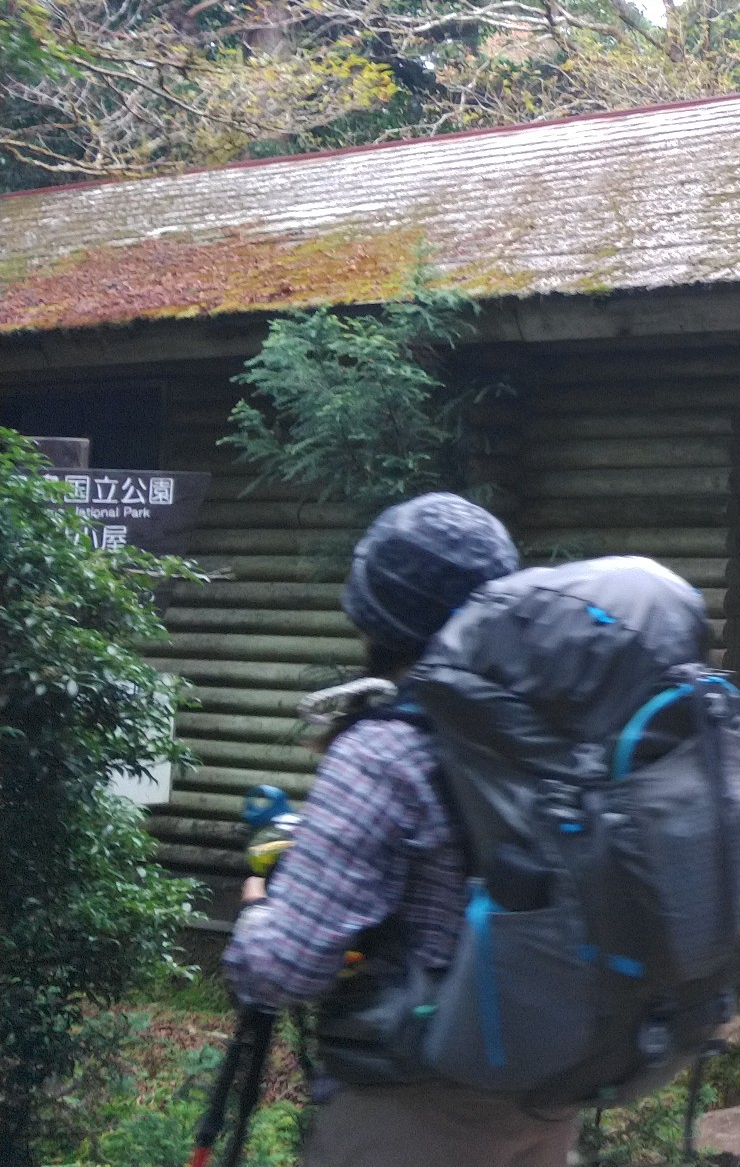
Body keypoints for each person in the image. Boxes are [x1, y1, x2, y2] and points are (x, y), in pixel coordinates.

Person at [221, 493, 573, 1167]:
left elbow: (284, 968)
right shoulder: (541, 730)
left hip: (420, 1105)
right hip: (542, 1090)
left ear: (372, 619)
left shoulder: (382, 752)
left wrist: (257, 912)